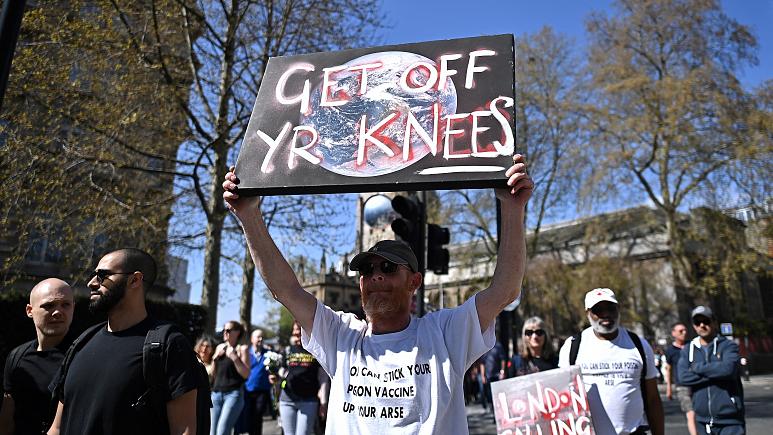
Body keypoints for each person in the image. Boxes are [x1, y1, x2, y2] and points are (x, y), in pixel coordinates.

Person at [222, 154, 532, 433]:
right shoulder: (341, 335)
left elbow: (504, 291)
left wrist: (512, 207)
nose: (376, 275)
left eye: (388, 267)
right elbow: (285, 290)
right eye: (367, 271)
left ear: (414, 281)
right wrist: (249, 216)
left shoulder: (444, 333)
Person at [47, 248, 202, 435]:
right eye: (93, 275)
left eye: (102, 275)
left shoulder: (168, 345)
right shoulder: (82, 342)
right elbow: (57, 427)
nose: (91, 283)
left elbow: (183, 430)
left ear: (135, 280)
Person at [558, 288, 664, 435]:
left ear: (618, 309)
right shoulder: (572, 347)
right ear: (587, 313)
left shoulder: (639, 345)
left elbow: (653, 399)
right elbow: (563, 400)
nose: (606, 314)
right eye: (598, 310)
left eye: (610, 308)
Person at [1, 279, 74, 435]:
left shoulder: (81, 356)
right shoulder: (17, 357)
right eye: (49, 305)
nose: (58, 312)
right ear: (29, 310)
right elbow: (7, 421)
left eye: (65, 304)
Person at [678, 306, 745, 435]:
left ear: (714, 322)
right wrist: (715, 371)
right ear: (694, 326)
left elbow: (728, 370)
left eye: (706, 321)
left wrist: (696, 368)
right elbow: (683, 377)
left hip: (730, 421)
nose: (702, 325)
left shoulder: (728, 346)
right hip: (702, 421)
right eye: (698, 322)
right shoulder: (688, 350)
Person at [277, 321, 329, 435]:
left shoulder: (316, 350)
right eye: (294, 329)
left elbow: (323, 378)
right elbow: (280, 370)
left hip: (308, 401)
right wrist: (280, 374)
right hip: (287, 400)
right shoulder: (287, 350)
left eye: (298, 329)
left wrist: (323, 402)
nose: (296, 332)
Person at [211, 320, 250, 435]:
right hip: (216, 394)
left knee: (222, 432)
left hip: (233, 394)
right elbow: (213, 374)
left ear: (237, 332)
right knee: (212, 432)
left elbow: (246, 374)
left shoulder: (242, 349)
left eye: (228, 330)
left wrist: (234, 357)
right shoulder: (219, 348)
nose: (225, 333)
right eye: (224, 330)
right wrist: (215, 358)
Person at [236, 329, 274, 435]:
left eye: (262, 337)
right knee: (246, 417)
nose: (260, 339)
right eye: (258, 337)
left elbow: (273, 370)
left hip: (262, 390)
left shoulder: (268, 354)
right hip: (247, 390)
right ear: (252, 339)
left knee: (257, 417)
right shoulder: (246, 353)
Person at [664, 322, 697, 435]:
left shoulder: (692, 345)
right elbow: (668, 369)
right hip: (682, 385)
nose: (684, 333)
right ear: (674, 333)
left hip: (697, 383)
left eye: (685, 330)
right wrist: (669, 388)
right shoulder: (670, 350)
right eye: (680, 331)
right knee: (690, 413)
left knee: (701, 412)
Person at [479, 339, 505, 414]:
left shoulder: (498, 346)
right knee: (490, 395)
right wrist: (483, 375)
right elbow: (482, 363)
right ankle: (493, 410)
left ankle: (498, 412)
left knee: (497, 395)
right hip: (488, 376)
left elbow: (503, 359)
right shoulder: (484, 346)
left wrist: (502, 371)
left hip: (497, 375)